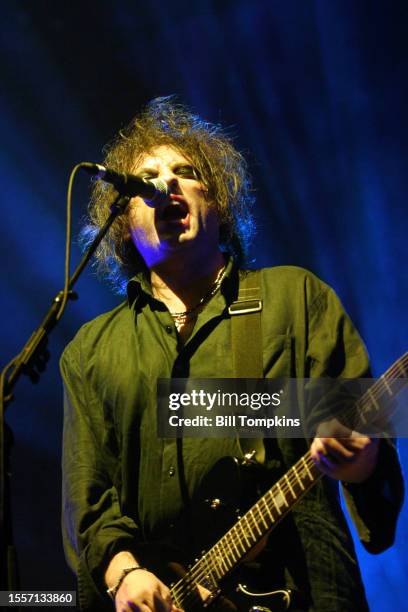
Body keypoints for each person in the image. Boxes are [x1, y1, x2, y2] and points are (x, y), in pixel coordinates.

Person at [60, 97, 403, 612]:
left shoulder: (294, 299)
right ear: (125, 221)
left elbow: (362, 446)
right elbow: (88, 497)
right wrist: (124, 573)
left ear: (217, 203)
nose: (166, 183)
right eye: (148, 177)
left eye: (186, 171)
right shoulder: (90, 351)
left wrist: (359, 457)